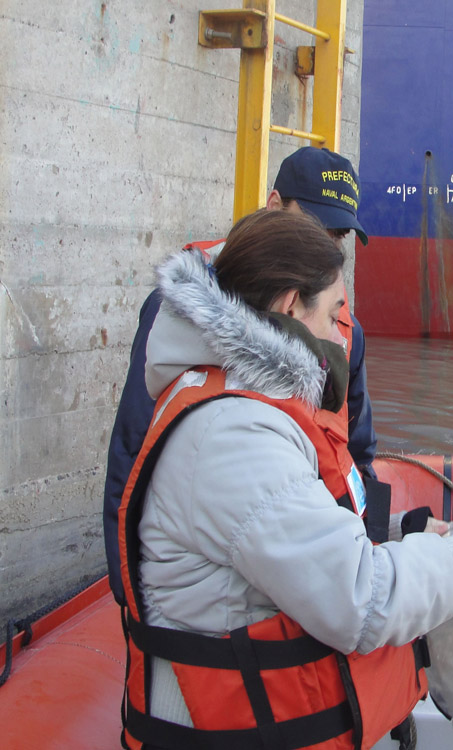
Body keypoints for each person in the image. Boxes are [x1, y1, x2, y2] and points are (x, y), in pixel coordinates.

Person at [118, 209, 453, 750]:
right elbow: (363, 602)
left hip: (265, 713)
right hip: (236, 733)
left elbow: (306, 544)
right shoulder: (233, 435)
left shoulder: (240, 402)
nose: (342, 334)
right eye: (336, 314)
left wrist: (407, 534)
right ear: (292, 306)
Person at [103, 147, 377, 605]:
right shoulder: (185, 313)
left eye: (337, 235)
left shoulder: (346, 333)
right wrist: (129, 597)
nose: (325, 247)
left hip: (310, 565)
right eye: (313, 227)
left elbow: (356, 448)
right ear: (273, 207)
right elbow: (134, 453)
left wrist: (367, 536)